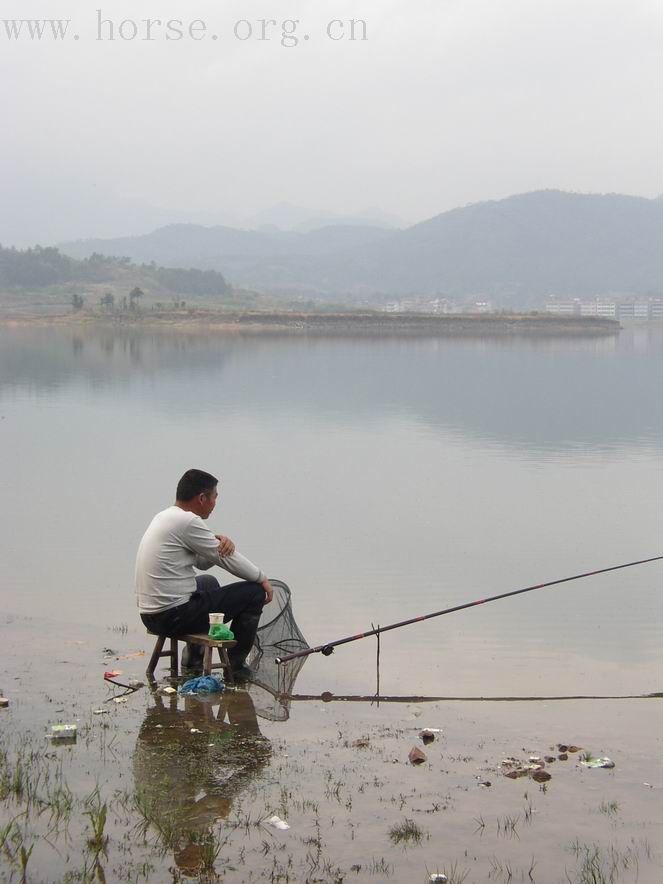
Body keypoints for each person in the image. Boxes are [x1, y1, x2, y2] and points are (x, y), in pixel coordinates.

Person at [135, 468, 273, 678]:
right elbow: (228, 561)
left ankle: (193, 659)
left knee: (208, 582)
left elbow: (201, 562)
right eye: (215, 497)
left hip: (152, 615)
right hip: (172, 616)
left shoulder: (166, 517)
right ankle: (236, 668)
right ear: (202, 498)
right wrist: (262, 578)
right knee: (253, 592)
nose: (215, 503)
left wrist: (217, 543)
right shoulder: (187, 522)